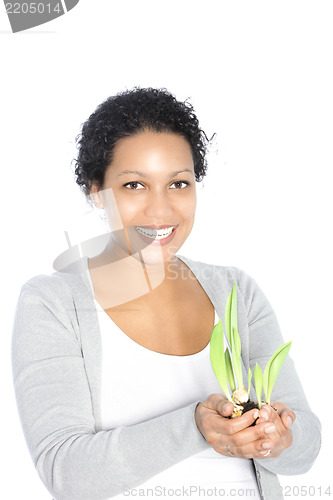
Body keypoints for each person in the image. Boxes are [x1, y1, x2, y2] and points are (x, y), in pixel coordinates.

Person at [12, 88, 321, 500]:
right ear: (94, 190)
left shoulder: (236, 291)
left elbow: (305, 450)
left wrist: (278, 438)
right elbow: (67, 475)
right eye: (135, 185)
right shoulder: (53, 304)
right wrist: (196, 427)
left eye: (178, 183)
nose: (161, 211)